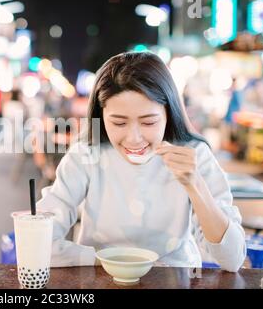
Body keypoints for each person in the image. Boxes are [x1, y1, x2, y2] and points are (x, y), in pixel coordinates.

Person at [36, 52, 246, 272]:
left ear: (168, 114)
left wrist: (196, 186)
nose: (134, 139)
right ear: (100, 117)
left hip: (175, 279)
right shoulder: (86, 155)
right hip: (100, 279)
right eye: (118, 123)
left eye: (148, 122)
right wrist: (109, 261)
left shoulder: (194, 155)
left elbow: (232, 259)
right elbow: (39, 242)